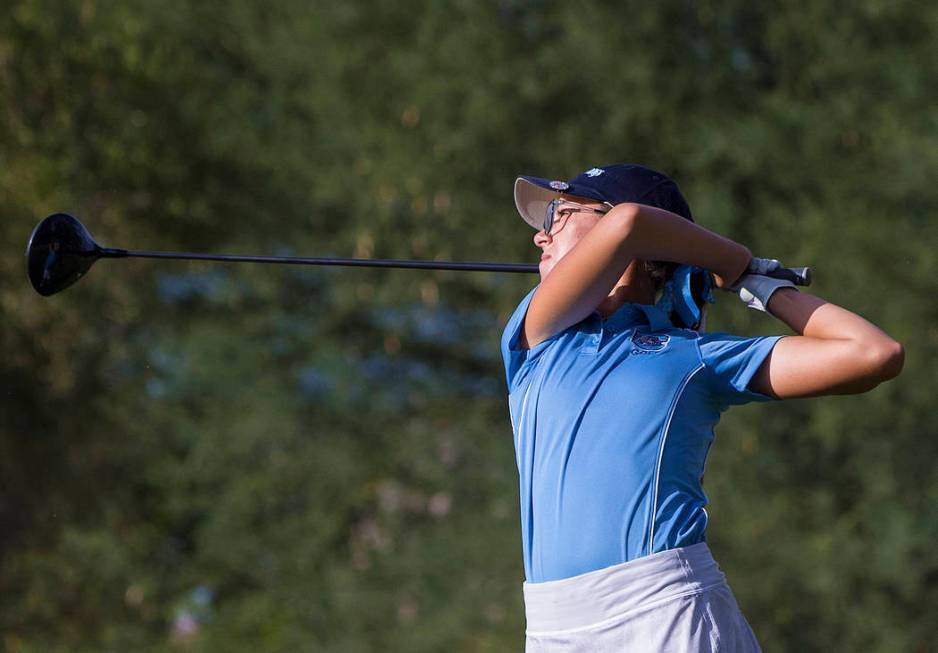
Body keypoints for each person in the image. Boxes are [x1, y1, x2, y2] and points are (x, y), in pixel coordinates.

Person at [500, 164, 904, 652]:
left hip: (665, 610)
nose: (541, 238)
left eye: (559, 215)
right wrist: (736, 261)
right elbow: (630, 224)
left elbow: (874, 354)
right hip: (553, 629)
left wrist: (764, 287)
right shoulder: (536, 335)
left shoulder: (693, 355)